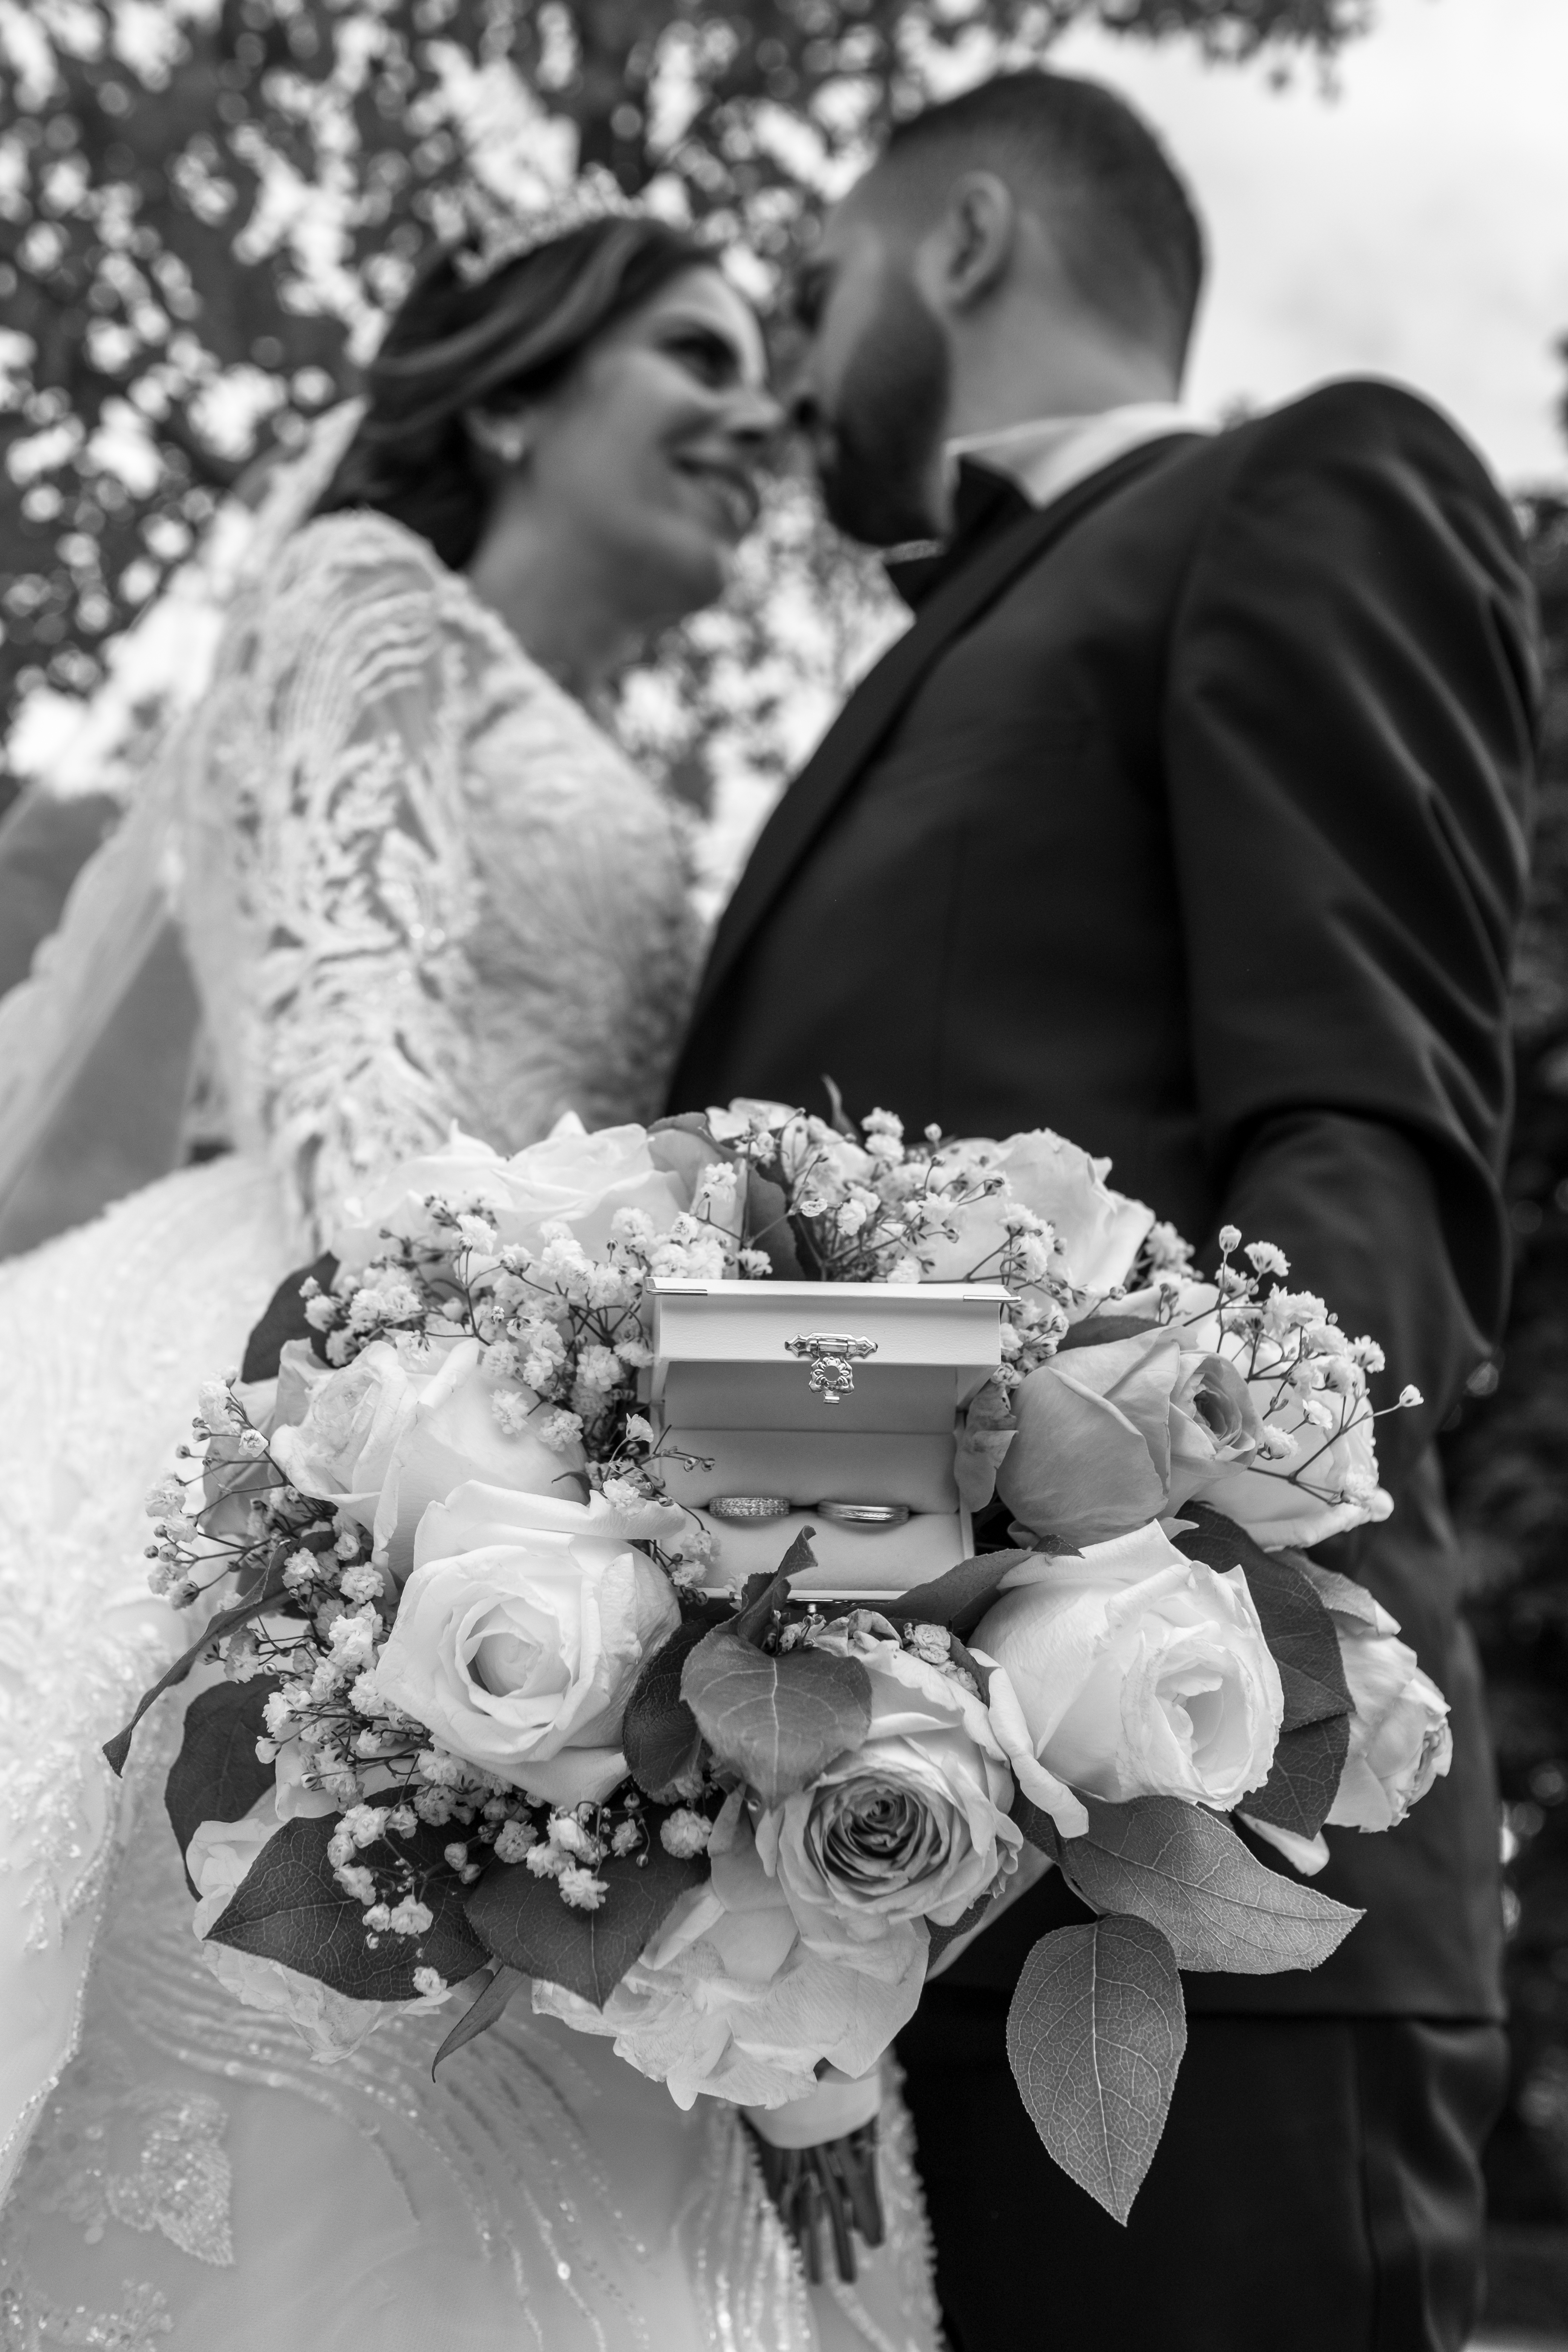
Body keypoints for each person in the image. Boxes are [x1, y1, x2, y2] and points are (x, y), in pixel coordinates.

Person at [0, 208, 941, 2350]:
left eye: (768, 387)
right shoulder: (365, 598)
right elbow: (350, 1068)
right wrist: (551, 1440)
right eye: (694, 356)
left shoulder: (607, 756)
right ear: (513, 394)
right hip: (353, 1353)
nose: (758, 419)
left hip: (563, 1370)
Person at [668, 68, 1538, 2352]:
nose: (790, 344)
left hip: (1187, 1920)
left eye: (817, 275)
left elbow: (1365, 1161)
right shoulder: (898, 679)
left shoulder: (1299, 484)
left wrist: (1138, 1660)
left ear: (960, 245)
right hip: (816, 1939)